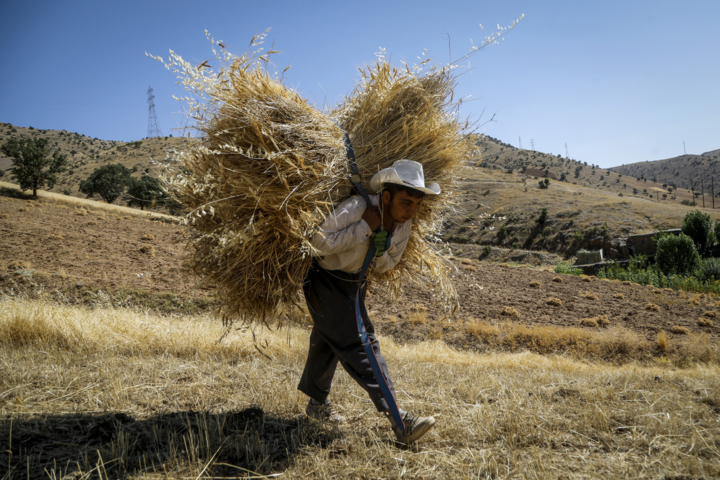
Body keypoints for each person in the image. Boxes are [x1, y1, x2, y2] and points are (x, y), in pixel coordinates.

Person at [298, 159, 440, 444]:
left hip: (355, 284)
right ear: (386, 196)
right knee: (361, 342)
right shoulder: (357, 208)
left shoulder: (403, 224)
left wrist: (383, 249)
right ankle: (400, 421)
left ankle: (317, 405)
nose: (411, 210)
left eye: (416, 204)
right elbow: (317, 243)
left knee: (329, 340)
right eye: (405, 202)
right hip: (324, 279)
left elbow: (388, 265)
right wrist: (363, 227)